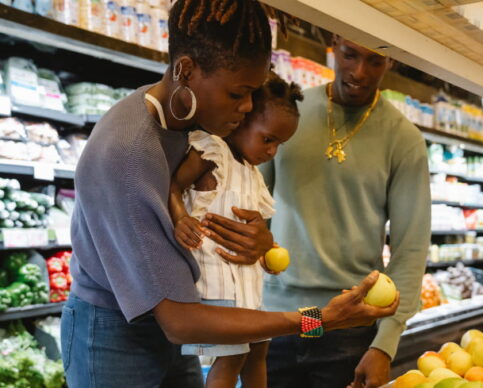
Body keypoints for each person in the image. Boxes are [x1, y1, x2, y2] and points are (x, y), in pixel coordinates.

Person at [61, 1, 399, 387]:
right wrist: (322, 319)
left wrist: (259, 243)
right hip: (113, 336)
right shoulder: (130, 154)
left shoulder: (199, 122)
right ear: (186, 69)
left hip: (172, 327)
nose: (248, 107)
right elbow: (182, 322)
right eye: (238, 93)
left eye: (254, 93)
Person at [261, 35, 431, 388]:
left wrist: (385, 345)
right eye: (350, 55)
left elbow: (410, 250)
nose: (359, 72)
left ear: (392, 62)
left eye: (375, 61)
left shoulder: (404, 140)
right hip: (276, 319)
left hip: (348, 328)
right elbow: (252, 211)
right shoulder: (289, 114)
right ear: (334, 44)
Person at [168, 72, 303, 388]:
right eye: (268, 139)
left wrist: (268, 252)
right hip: (216, 290)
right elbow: (172, 186)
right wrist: (180, 218)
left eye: (278, 144)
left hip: (247, 289)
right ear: (240, 119)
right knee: (230, 359)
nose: (272, 152)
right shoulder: (213, 152)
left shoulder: (252, 174)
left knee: (259, 349)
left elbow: (254, 233)